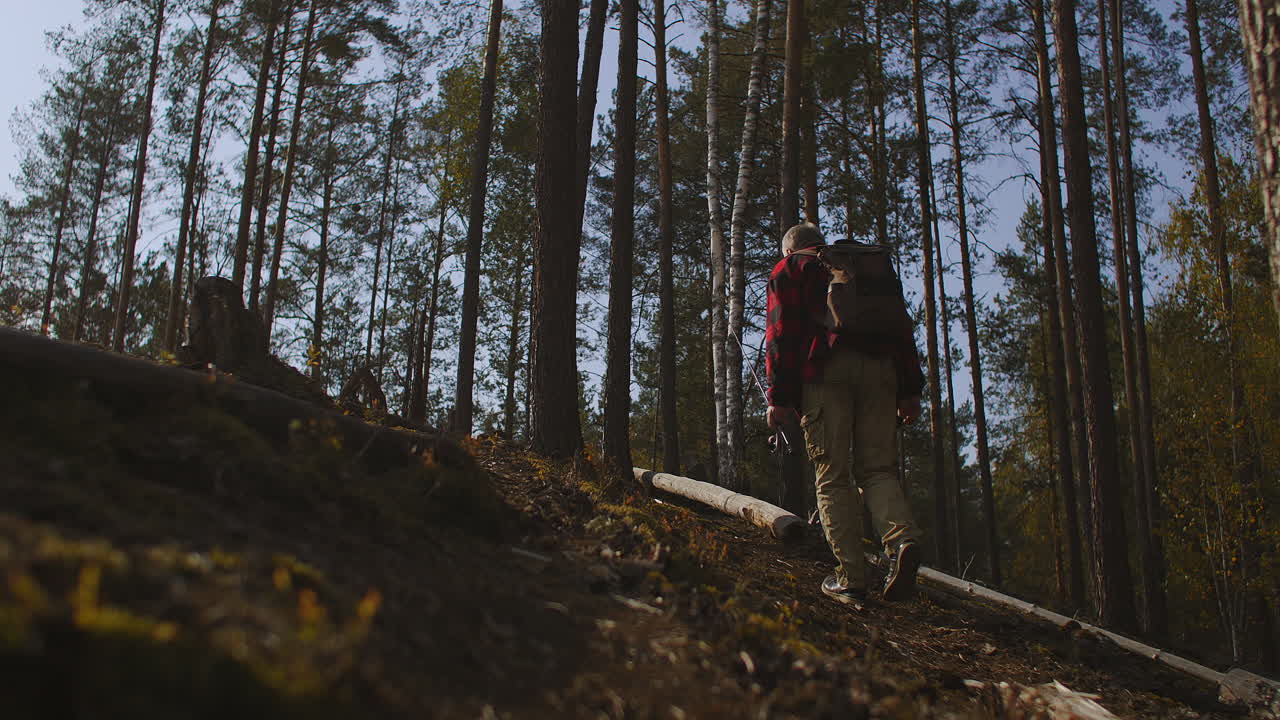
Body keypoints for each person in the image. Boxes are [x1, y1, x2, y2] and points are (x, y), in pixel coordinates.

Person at [764, 222, 925, 605]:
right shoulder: (861, 268)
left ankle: (851, 578)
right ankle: (902, 542)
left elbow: (781, 333)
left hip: (825, 371)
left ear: (790, 250)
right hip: (882, 369)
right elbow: (902, 328)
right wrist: (910, 390)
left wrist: (778, 397)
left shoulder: (791, 269)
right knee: (879, 470)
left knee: (832, 476)